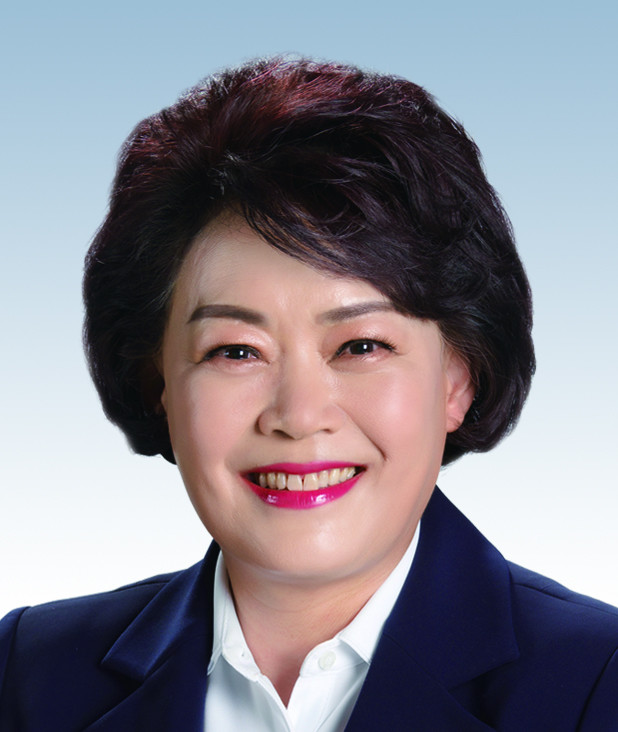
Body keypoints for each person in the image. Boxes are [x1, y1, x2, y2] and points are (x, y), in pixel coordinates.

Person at [1, 56, 616, 732]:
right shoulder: (26, 674)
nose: (298, 417)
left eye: (361, 346)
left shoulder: (596, 682)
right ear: (159, 385)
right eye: (236, 351)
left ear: (459, 378)